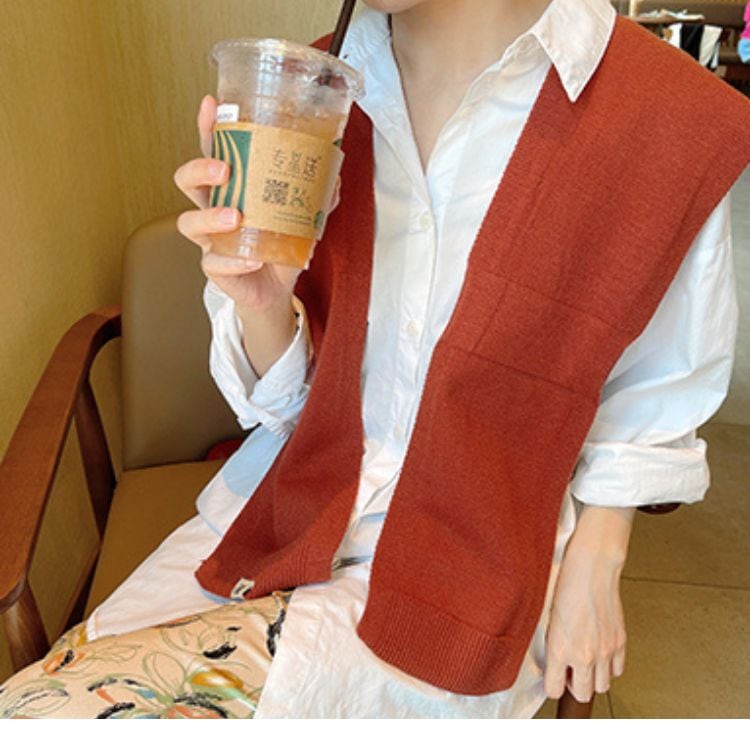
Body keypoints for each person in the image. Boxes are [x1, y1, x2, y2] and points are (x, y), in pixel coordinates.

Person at [1, 0, 747, 719]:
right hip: (289, 509)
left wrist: (599, 554)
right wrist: (263, 300)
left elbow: (659, 382)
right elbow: (287, 409)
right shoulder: (306, 93)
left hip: (482, 555)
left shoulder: (666, 115)